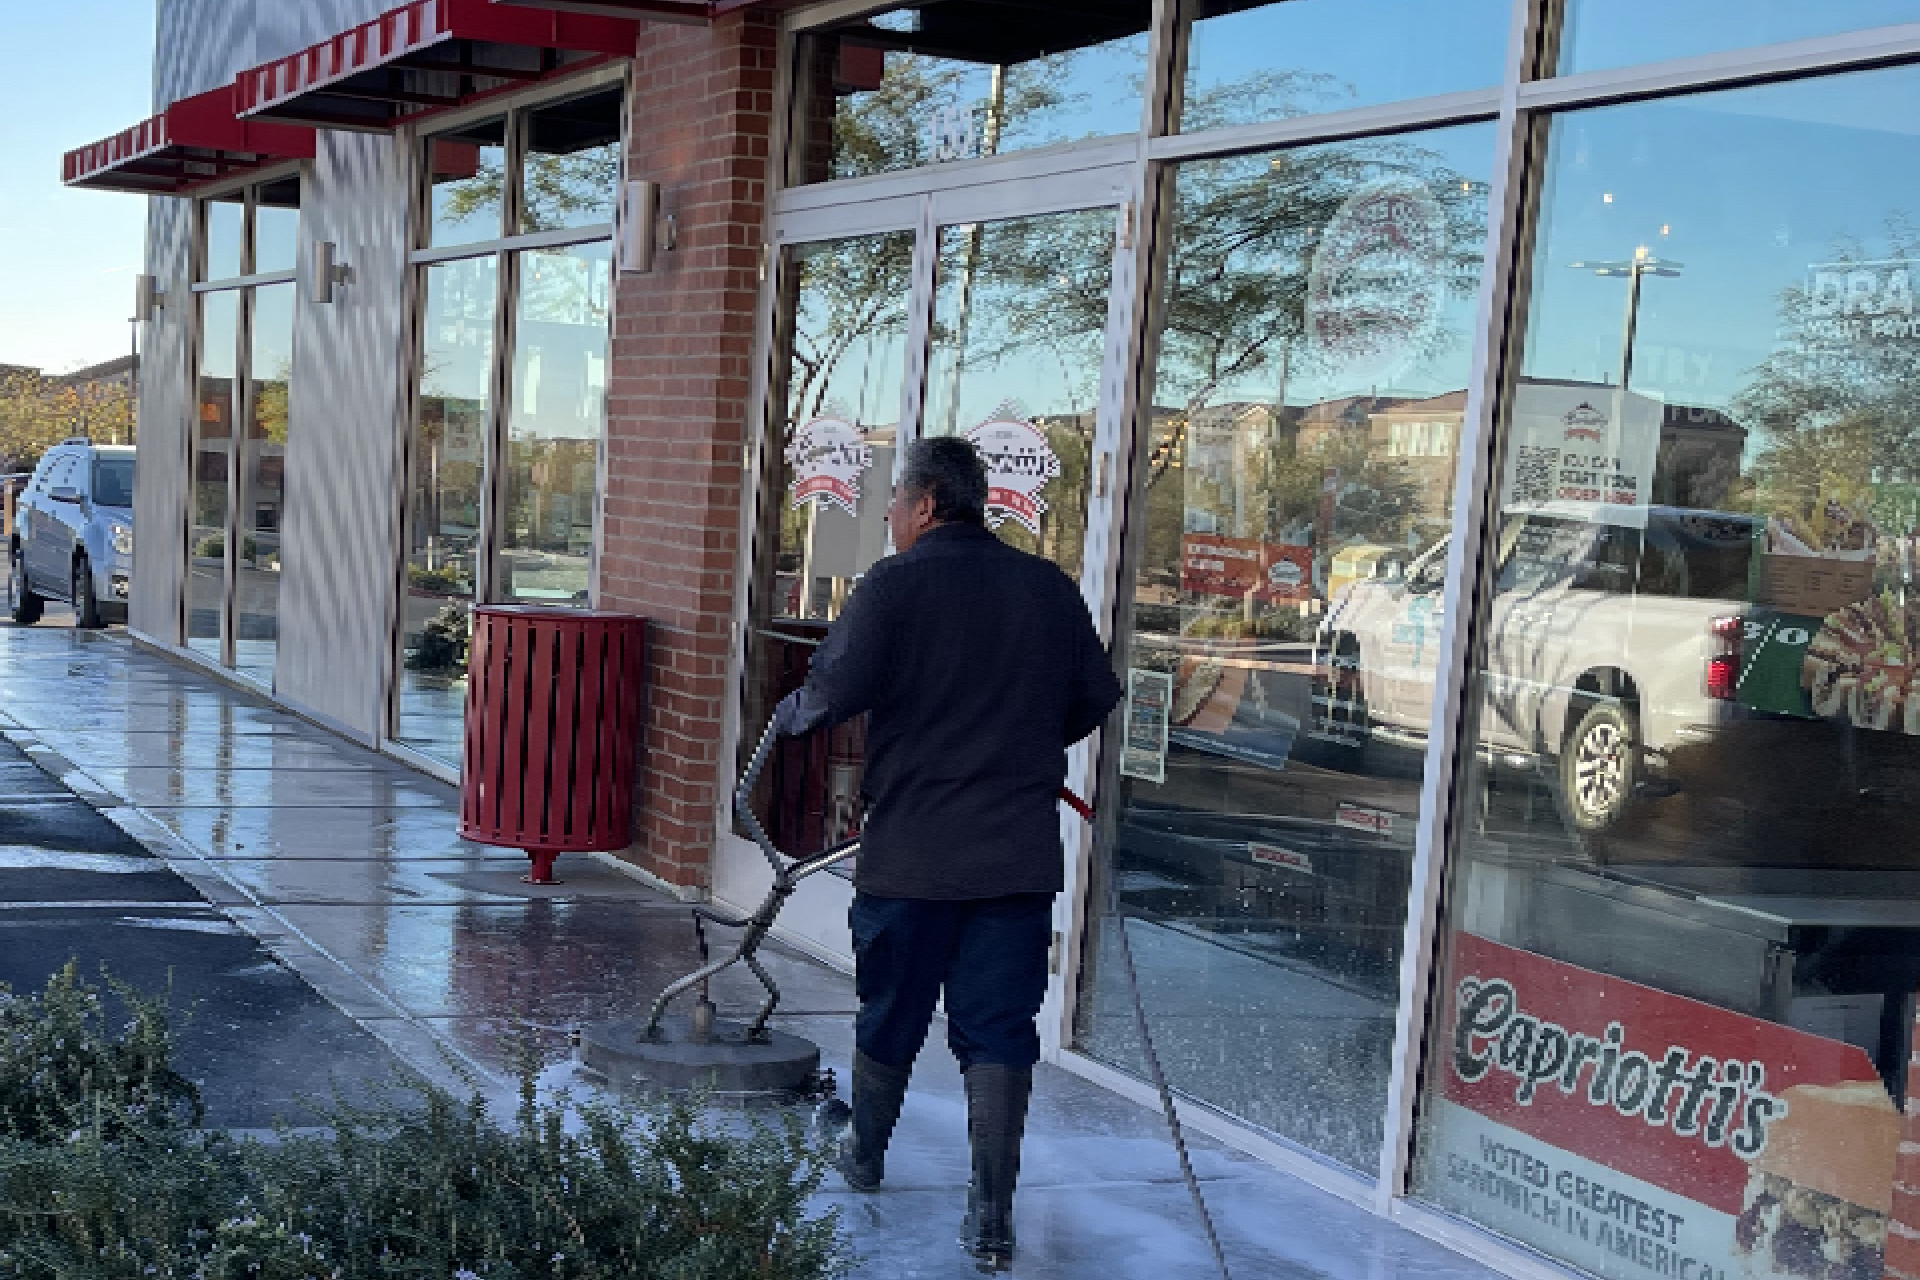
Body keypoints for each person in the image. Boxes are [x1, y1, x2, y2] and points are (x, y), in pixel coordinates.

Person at [774, 435, 1122, 1270]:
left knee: (890, 1009)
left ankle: (864, 1156)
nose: (889, 515)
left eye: (895, 501)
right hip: (1014, 856)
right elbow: (1094, 698)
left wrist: (791, 714)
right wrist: (1019, 743)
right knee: (999, 1027)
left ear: (927, 504)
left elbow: (833, 690)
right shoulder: (1047, 587)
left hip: (914, 855)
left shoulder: (895, 584)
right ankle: (991, 1213)